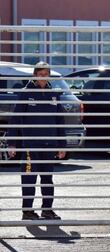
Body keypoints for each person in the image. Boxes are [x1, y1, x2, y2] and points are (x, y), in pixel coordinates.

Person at [8, 61, 66, 220]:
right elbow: (16, 119)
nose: (43, 77)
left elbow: (59, 121)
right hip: (30, 145)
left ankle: (47, 210)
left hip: (49, 144)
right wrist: (11, 143)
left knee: (47, 178)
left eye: (46, 75)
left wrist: (62, 145)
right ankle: (27, 211)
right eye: (40, 74)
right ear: (35, 75)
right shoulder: (26, 93)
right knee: (29, 177)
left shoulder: (54, 94)